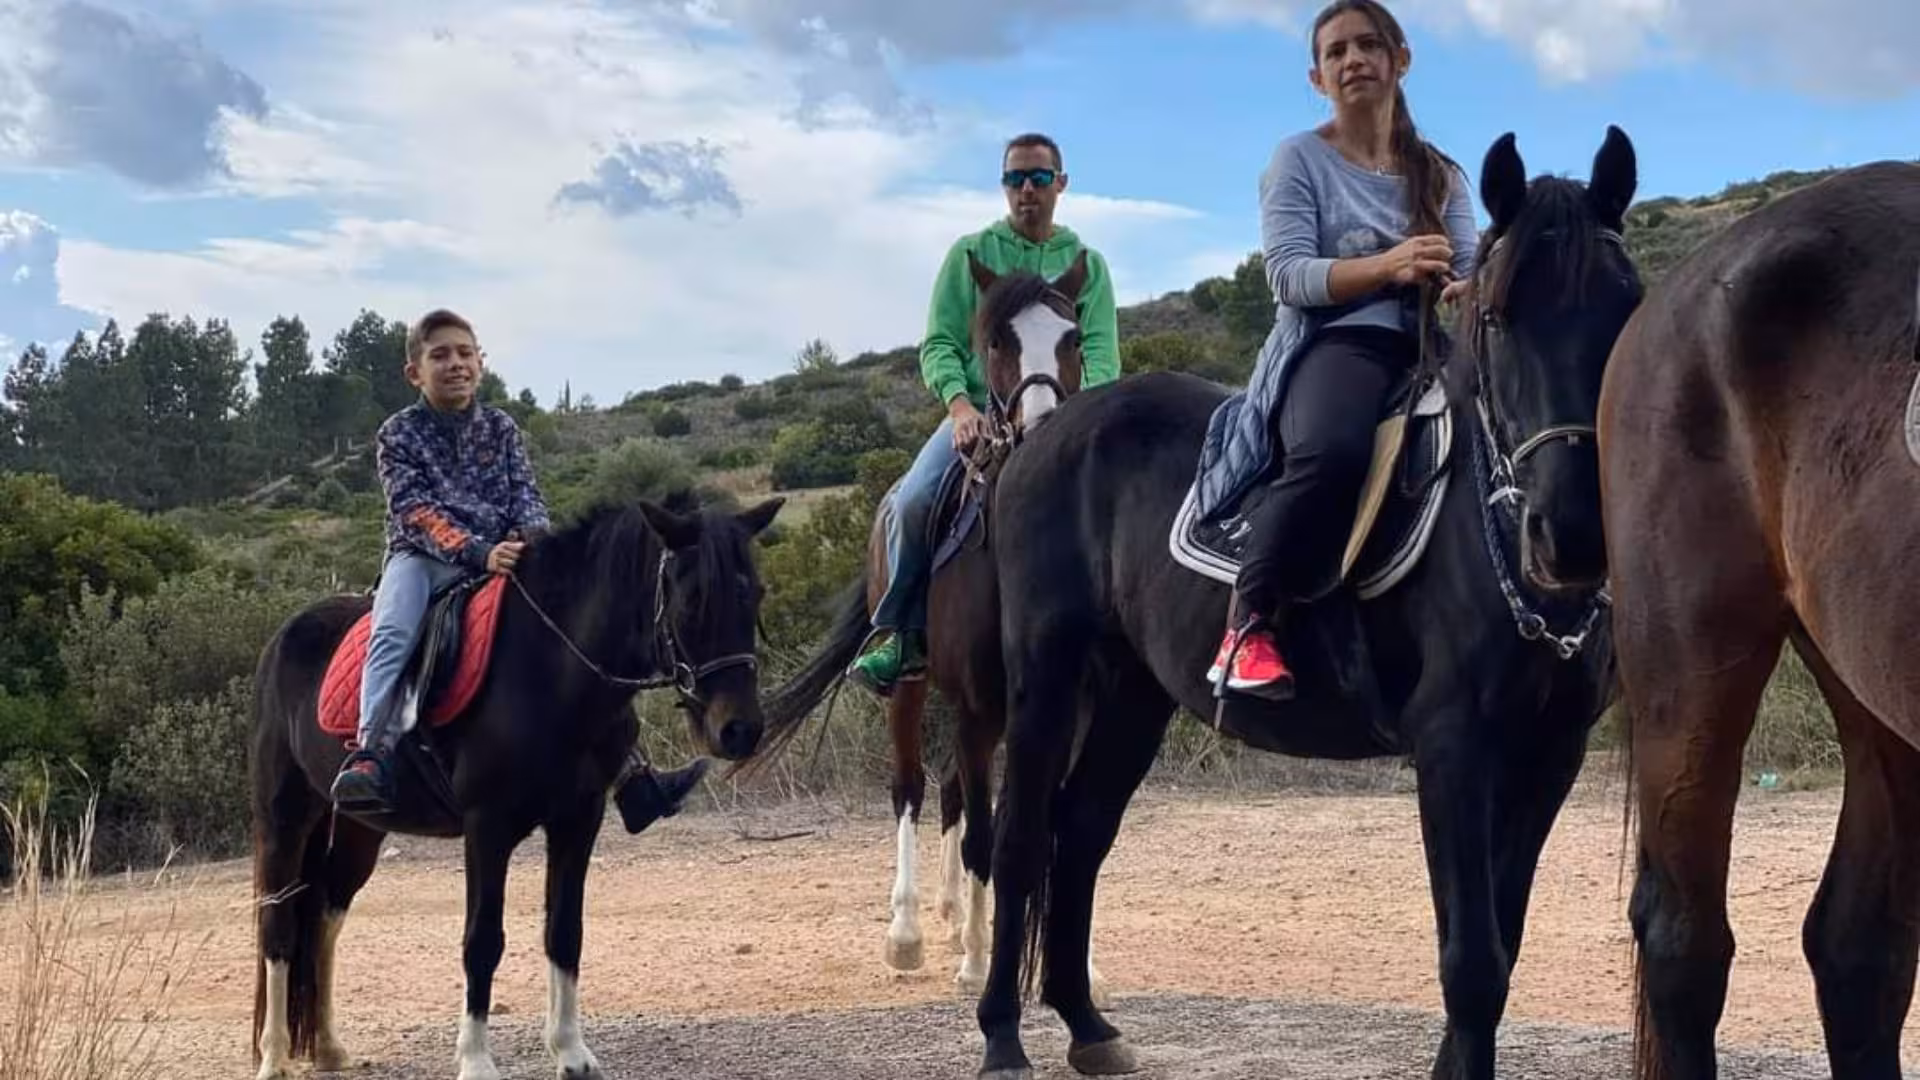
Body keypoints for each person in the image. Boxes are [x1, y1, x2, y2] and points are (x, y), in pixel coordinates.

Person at [1199, 0, 1479, 700]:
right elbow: (1289, 275)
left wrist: (1465, 288)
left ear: (1400, 59)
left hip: (1429, 345)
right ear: (1318, 77)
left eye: (1368, 45)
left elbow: (1471, 267)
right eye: (1336, 52)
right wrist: (1391, 265)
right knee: (1332, 451)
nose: (1353, 60)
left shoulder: (1442, 173)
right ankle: (1247, 626)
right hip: (1337, 339)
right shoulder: (1299, 158)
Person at [328, 310, 704, 826]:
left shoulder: (501, 427)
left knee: (579, 634)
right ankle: (371, 752)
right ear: (414, 372)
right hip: (423, 559)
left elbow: (527, 495)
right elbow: (414, 512)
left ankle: (632, 775)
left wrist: (534, 542)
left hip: (506, 555)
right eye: (440, 355)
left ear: (481, 362)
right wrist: (478, 551)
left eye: (465, 353)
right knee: (393, 630)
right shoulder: (398, 434)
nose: (455, 364)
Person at [845, 132, 1122, 695]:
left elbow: (1101, 354)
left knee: (1135, 505)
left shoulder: (1086, 264)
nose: (1027, 189)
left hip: (1066, 419)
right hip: (981, 412)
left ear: (1060, 185)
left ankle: (1131, 635)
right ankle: (901, 634)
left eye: (1039, 178)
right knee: (916, 498)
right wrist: (960, 403)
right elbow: (940, 343)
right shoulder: (970, 254)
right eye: (1015, 178)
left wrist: (1073, 413)